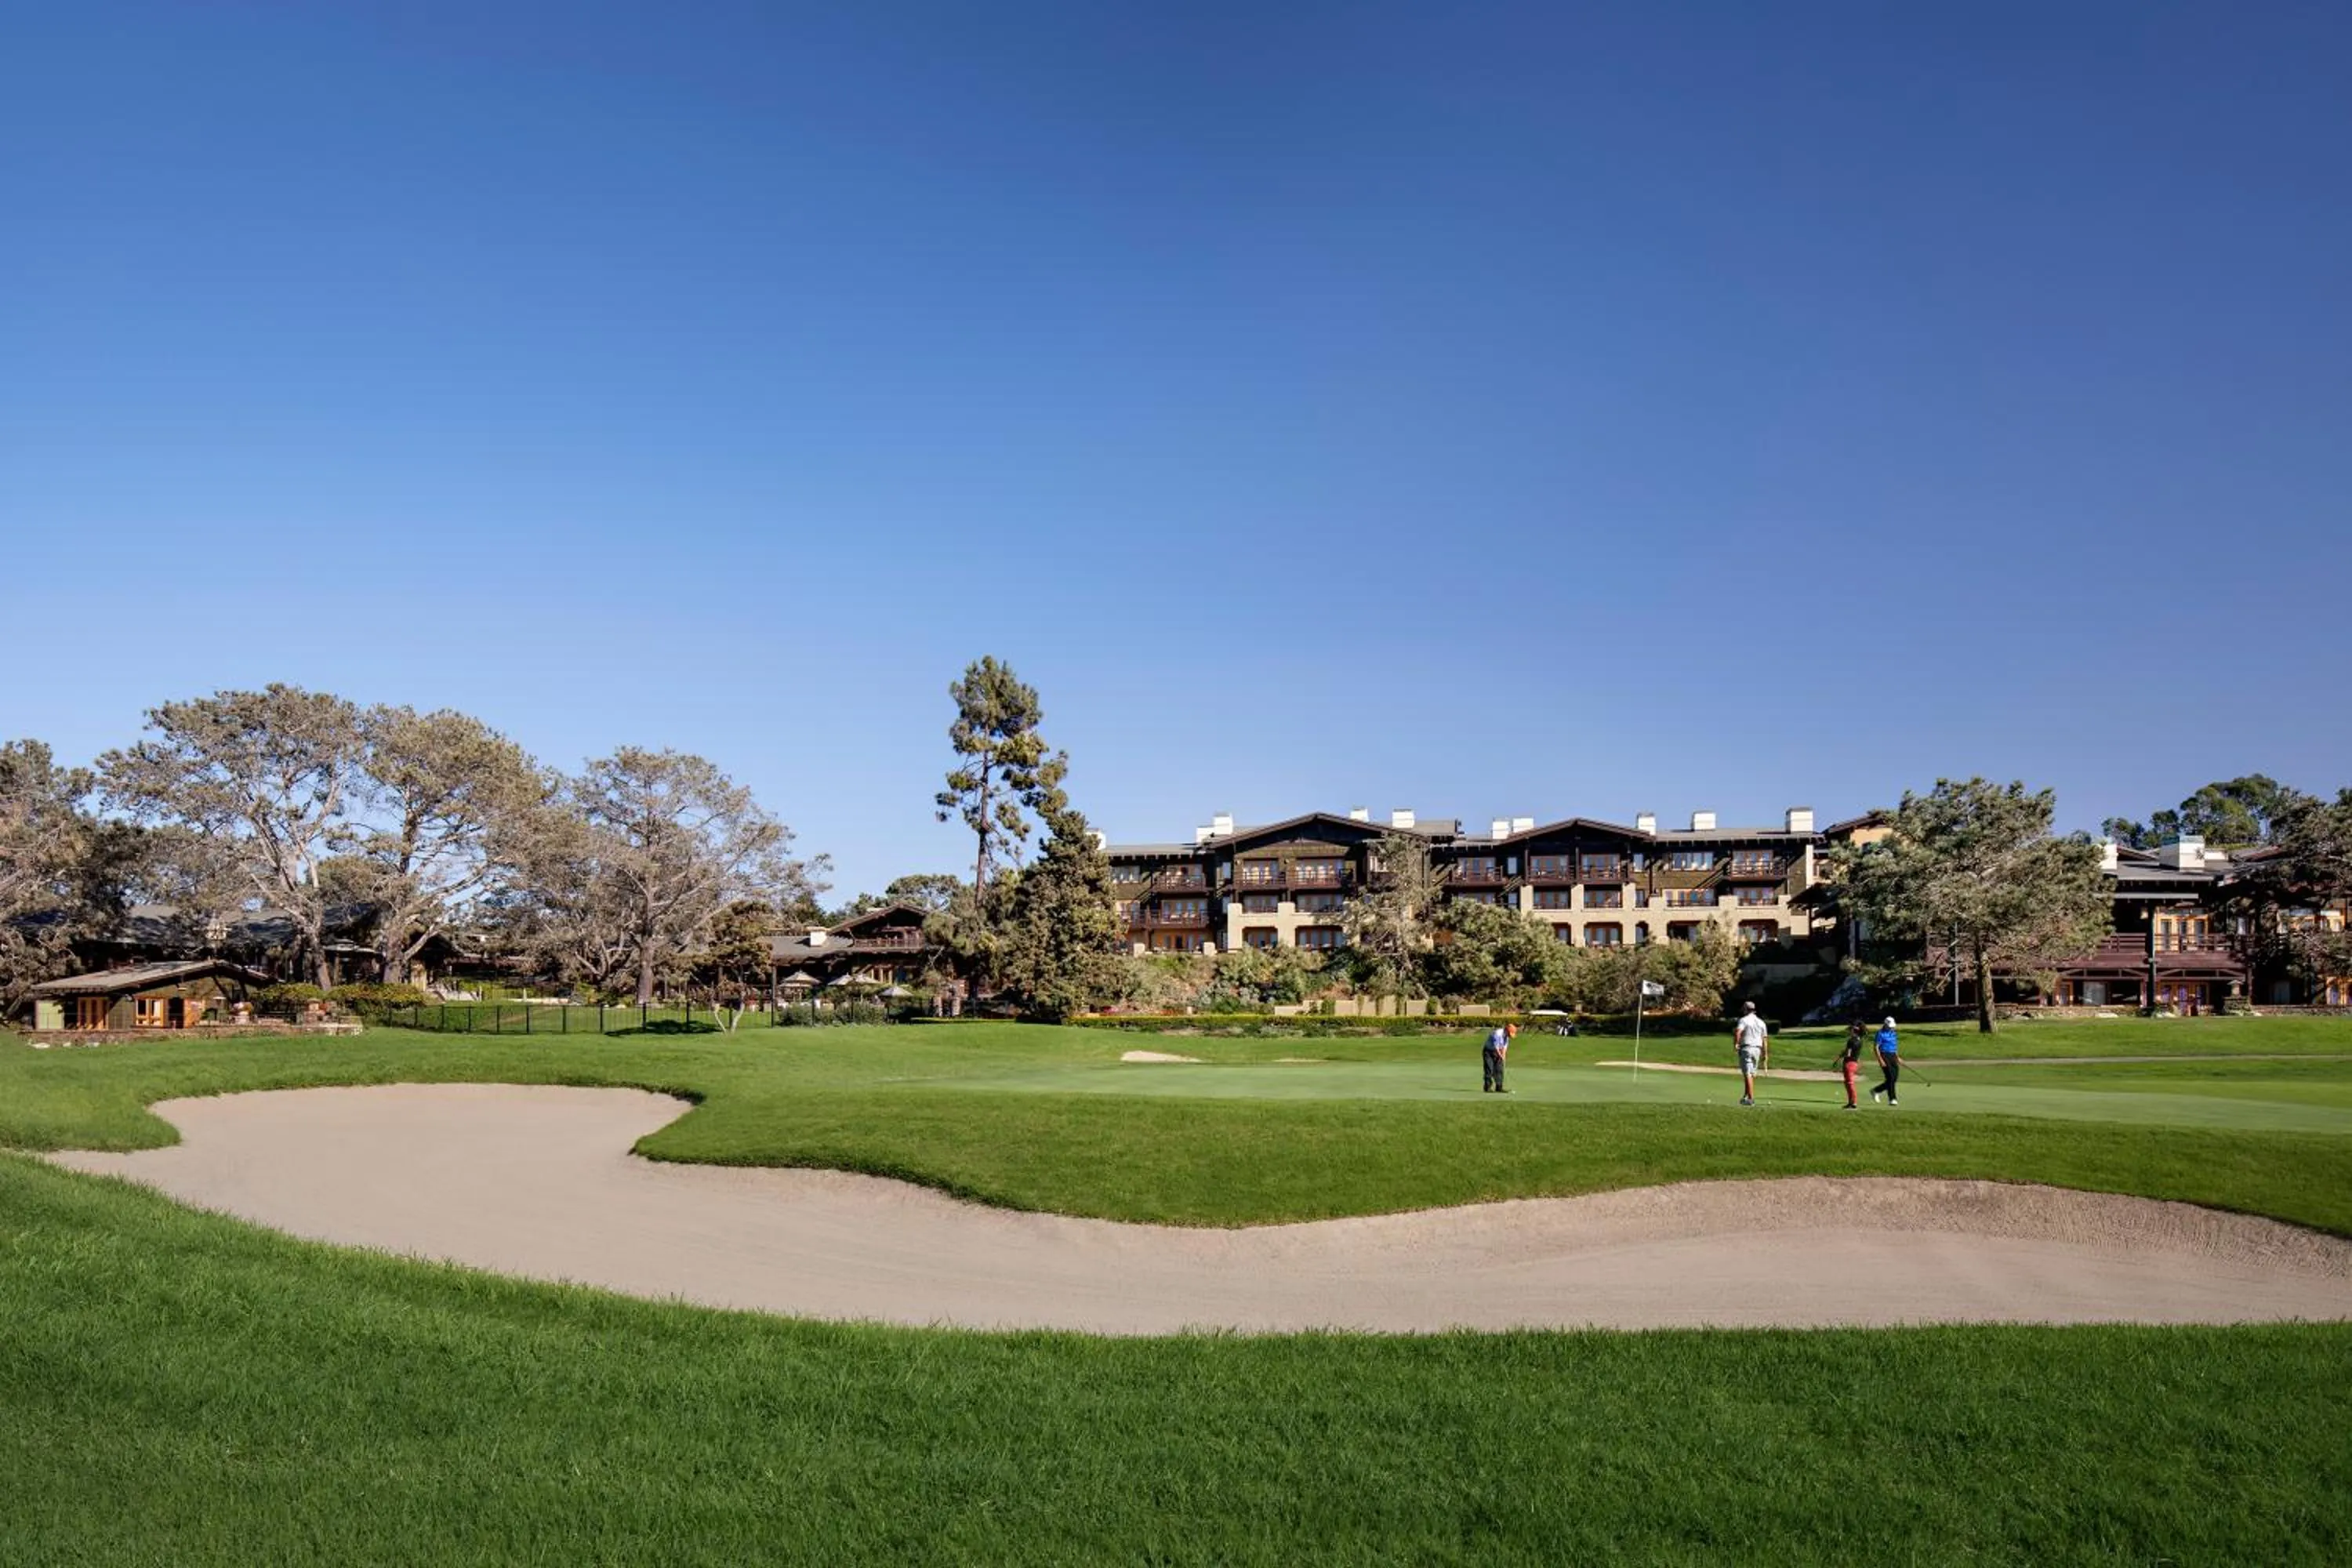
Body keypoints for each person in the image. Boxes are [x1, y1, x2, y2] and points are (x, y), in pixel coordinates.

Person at [1733, 1001, 1768, 1106]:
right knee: (1751, 1074)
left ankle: (1751, 1099)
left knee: (1747, 1073)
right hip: (1757, 1049)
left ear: (1746, 1010)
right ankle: (1746, 1096)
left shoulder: (1744, 1020)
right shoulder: (1761, 1022)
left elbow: (1738, 1032)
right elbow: (1764, 1039)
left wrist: (1736, 1044)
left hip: (1747, 1048)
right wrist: (1765, 1053)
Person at [1871, 1015, 1900, 1105]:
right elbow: (1876, 1048)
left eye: (1892, 1026)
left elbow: (1894, 1046)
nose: (1892, 1028)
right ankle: (1892, 1099)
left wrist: (1897, 1057)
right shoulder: (1880, 1033)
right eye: (1890, 1026)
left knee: (1894, 1078)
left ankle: (1876, 1090)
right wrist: (1880, 1060)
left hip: (1893, 1056)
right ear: (1885, 1025)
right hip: (1884, 1055)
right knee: (1890, 1077)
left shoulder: (1893, 1033)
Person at [1837, 1022, 1865, 1109]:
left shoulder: (1851, 1040)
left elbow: (1848, 1054)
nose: (1849, 1032)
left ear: (1854, 1031)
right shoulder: (1860, 1040)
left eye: (1850, 1030)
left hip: (1849, 1063)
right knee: (1849, 1083)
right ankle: (1851, 1102)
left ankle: (1853, 1102)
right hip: (1855, 1063)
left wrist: (1842, 1054)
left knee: (1849, 1083)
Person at [1483, 1023, 1509, 1093]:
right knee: (1489, 1069)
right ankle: (1487, 1087)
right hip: (1488, 1051)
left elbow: (1504, 1047)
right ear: (1506, 1030)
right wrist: (1501, 1055)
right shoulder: (1498, 1034)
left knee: (1499, 1069)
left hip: (1497, 1051)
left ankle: (1499, 1087)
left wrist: (1503, 1056)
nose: (1510, 1036)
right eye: (1510, 1034)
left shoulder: (1507, 1036)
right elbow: (1496, 1047)